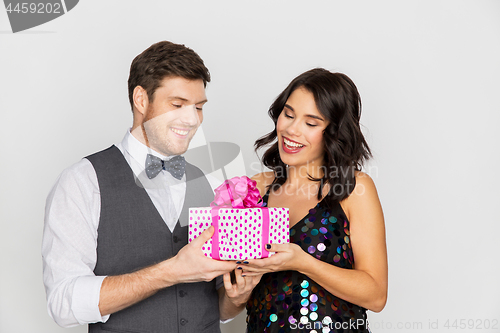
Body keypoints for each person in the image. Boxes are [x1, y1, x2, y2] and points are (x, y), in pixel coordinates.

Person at [42, 41, 256, 333]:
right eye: (178, 105)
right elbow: (63, 304)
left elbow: (216, 308)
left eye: (199, 107)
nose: (193, 120)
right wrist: (170, 272)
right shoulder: (83, 182)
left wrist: (237, 296)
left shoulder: (213, 185)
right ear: (141, 100)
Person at [241, 68, 388, 332]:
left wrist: (302, 263)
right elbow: (231, 299)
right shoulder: (256, 187)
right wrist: (237, 288)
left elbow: (376, 295)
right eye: (288, 114)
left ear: (334, 132)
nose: (292, 130)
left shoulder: (355, 188)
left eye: (311, 123)